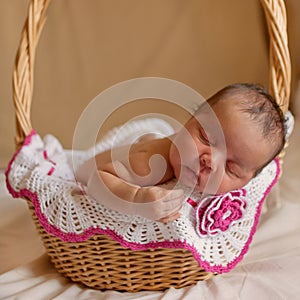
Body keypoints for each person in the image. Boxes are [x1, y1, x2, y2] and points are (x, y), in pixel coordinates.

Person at [75, 83, 285, 223]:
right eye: (206, 138)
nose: (209, 161)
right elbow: (97, 180)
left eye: (231, 168)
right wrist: (136, 198)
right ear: (189, 120)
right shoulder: (151, 164)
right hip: (81, 173)